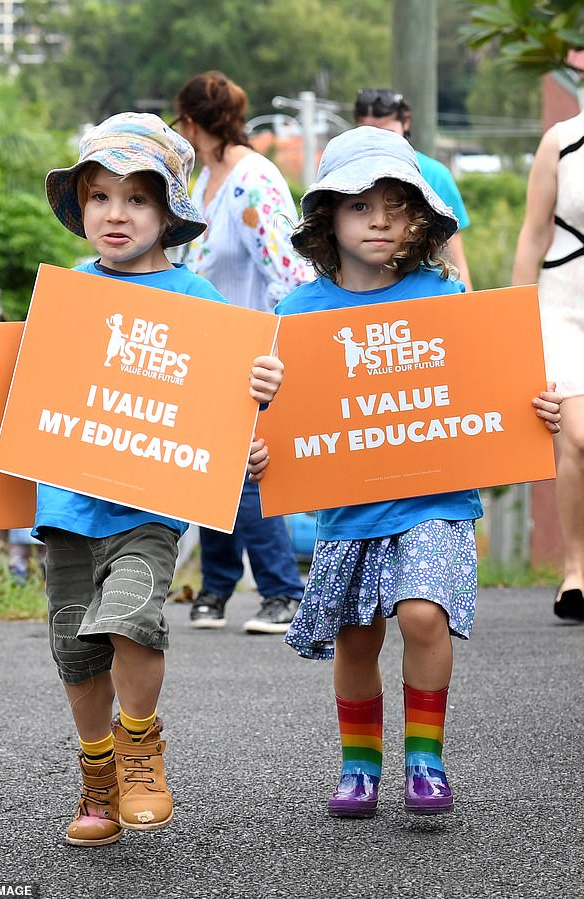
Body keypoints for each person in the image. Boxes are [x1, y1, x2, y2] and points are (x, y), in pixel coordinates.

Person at [249, 126, 562, 817]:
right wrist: (260, 439)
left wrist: (530, 408)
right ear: (327, 217)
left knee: (424, 616)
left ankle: (426, 759)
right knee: (358, 635)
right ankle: (359, 766)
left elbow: (492, 391)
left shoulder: (445, 298)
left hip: (436, 497)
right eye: (360, 207)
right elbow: (278, 422)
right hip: (347, 510)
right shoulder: (296, 315)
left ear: (419, 215)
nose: (381, 221)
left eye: (395, 205)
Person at [38, 112, 285, 847]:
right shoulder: (63, 293)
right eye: (100, 196)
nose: (117, 214)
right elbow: (30, 393)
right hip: (64, 505)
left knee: (132, 620)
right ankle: (98, 773)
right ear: (81, 208)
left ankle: (141, 745)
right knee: (75, 649)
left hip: (149, 505)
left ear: (168, 213)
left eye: (137, 198)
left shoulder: (198, 299)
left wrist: (256, 403)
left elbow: (227, 403)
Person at [173, 71, 310, 634]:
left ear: (191, 122)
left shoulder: (254, 181)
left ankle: (282, 591)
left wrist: (271, 342)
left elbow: (289, 270)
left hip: (250, 346)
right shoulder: (202, 180)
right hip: (202, 346)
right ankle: (218, 588)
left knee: (247, 471)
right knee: (212, 473)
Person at [512, 110, 584, 622]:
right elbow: (533, 236)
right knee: (577, 437)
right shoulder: (560, 142)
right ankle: (576, 570)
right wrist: (513, 327)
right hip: (563, 305)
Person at [353, 88, 473, 290]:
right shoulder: (343, 178)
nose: (379, 144)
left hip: (423, 293)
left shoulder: (434, 175)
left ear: (405, 122)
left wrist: (468, 306)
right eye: (368, 134)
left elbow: (455, 258)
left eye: (388, 134)